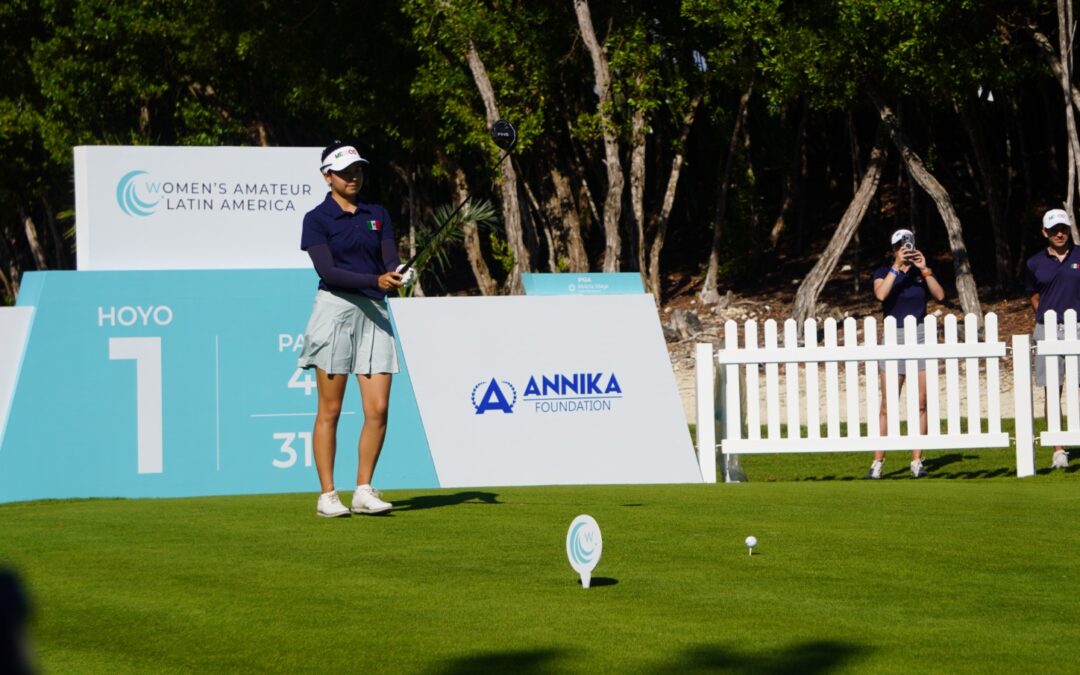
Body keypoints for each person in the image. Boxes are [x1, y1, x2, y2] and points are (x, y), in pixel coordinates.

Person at [297, 141, 414, 517]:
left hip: (374, 312)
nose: (353, 177)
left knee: (378, 408)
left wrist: (397, 272)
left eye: (358, 170)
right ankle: (328, 495)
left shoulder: (376, 214)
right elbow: (329, 272)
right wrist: (374, 280)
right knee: (330, 409)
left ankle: (363, 490)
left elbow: (388, 256)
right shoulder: (317, 219)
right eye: (345, 172)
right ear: (327, 176)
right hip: (335, 311)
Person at [867, 228, 946, 479]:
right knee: (888, 403)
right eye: (901, 246)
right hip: (894, 336)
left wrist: (925, 269)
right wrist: (896, 267)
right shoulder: (883, 271)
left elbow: (940, 295)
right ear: (893, 249)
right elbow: (881, 294)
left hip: (920, 335)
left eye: (909, 245)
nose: (906, 250)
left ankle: (917, 460)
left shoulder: (920, 273)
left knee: (921, 401)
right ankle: (878, 462)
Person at [1024, 208, 1080, 470]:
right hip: (1048, 329)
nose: (1060, 234)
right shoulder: (1034, 263)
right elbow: (1033, 295)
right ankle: (1058, 449)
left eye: (1063, 229)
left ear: (1069, 230)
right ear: (1045, 232)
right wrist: (1045, 318)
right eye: (1054, 230)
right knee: (1052, 388)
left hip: (1078, 327)